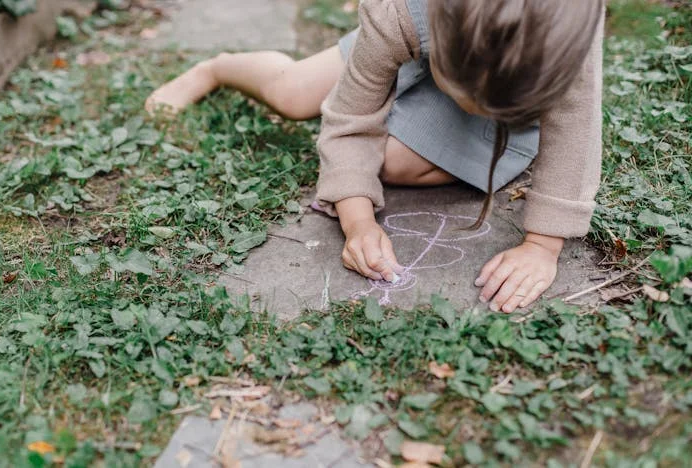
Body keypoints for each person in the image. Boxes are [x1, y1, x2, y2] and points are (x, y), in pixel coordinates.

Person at [144, 0, 605, 313]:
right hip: (420, 39)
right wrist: (358, 221)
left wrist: (543, 246)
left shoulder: (564, 37)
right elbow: (349, 119)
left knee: (393, 164)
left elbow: (576, 129)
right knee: (292, 93)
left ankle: (466, 107)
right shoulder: (400, 12)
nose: (469, 109)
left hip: (515, 87)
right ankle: (217, 67)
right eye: (464, 98)